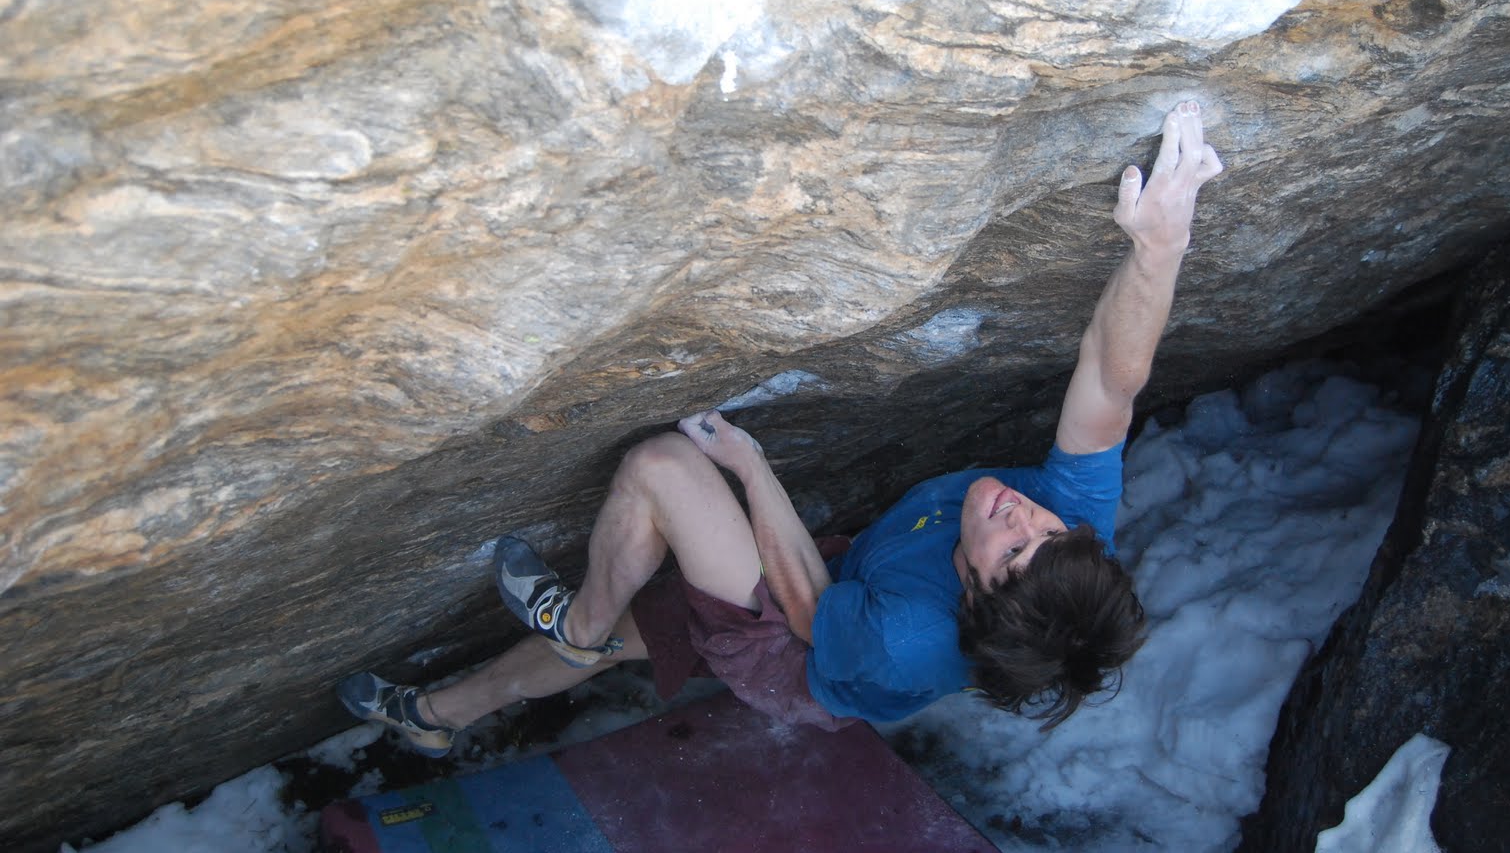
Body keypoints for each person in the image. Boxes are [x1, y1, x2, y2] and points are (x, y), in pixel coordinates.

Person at [337, 101, 1223, 754]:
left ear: (974, 595)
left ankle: (575, 620)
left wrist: (753, 468)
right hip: (845, 586)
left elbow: (805, 608)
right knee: (625, 641)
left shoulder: (906, 634)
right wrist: (1159, 247)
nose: (1021, 516)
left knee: (661, 469)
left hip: (803, 651)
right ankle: (442, 717)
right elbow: (1112, 379)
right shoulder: (1070, 545)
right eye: (1045, 527)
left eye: (1011, 550)